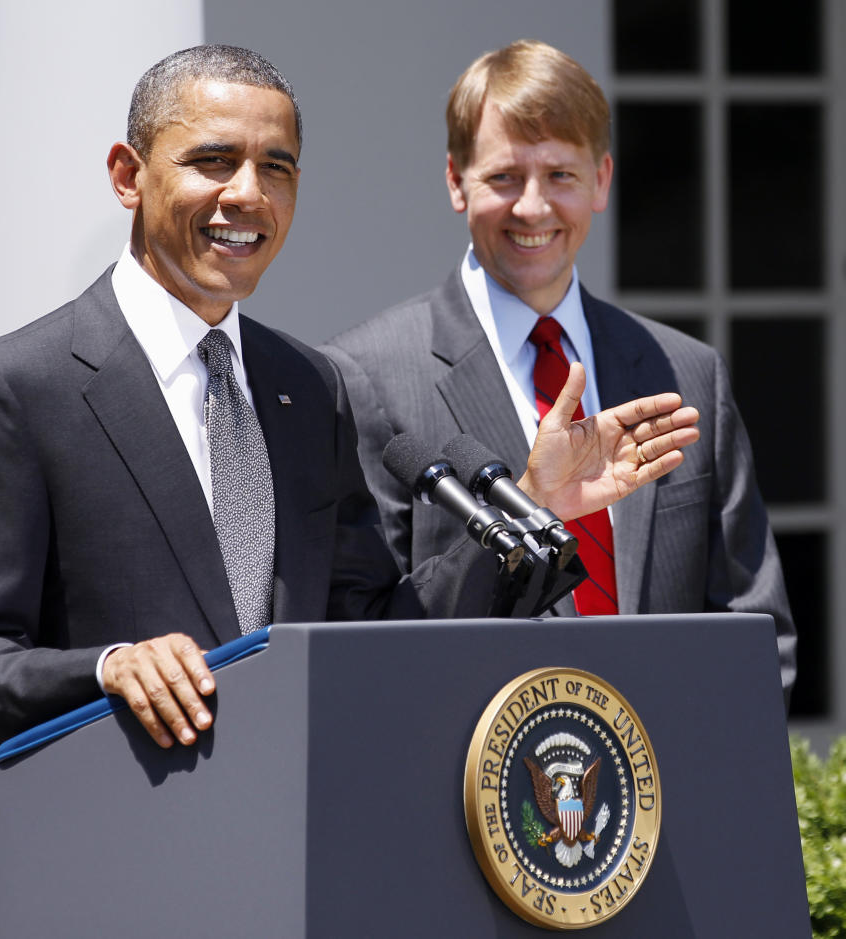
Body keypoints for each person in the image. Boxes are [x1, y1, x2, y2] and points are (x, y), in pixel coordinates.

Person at [0, 44, 700, 763]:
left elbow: (373, 632)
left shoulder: (309, 386)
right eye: (213, 161)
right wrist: (110, 667)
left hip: (296, 874)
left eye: (276, 167)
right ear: (128, 174)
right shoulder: (12, 390)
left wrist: (535, 503)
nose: (247, 194)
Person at [322, 39, 795, 700]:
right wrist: (531, 501)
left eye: (560, 175)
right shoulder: (363, 376)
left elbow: (757, 637)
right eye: (505, 176)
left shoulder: (687, 374)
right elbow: (364, 641)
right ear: (456, 181)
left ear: (602, 180)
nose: (534, 207)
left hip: (665, 789)